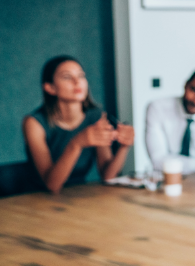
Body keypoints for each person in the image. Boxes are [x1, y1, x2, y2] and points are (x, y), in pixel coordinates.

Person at [23, 55, 135, 194]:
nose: (77, 82)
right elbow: (52, 185)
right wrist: (76, 143)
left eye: (81, 76)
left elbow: (108, 177)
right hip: (36, 199)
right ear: (50, 88)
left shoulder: (96, 116)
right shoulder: (34, 123)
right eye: (67, 77)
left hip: (78, 195)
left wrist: (124, 147)